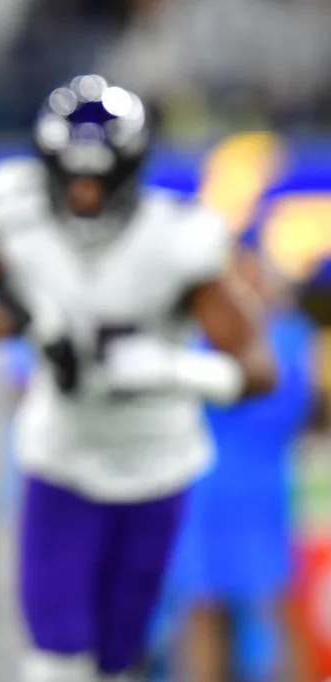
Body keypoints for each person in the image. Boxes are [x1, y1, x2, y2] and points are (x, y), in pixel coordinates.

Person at [0, 74, 277, 682]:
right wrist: (34, 320)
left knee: (118, 660)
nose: (85, 194)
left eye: (101, 177)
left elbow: (259, 371)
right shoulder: (16, 209)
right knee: (56, 658)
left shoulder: (177, 239)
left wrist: (167, 368)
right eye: (72, 176)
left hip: (156, 466)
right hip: (61, 460)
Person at [165, 248, 325, 682]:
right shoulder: (195, 336)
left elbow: (296, 408)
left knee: (278, 604)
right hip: (205, 489)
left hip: (263, 490)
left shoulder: (291, 336)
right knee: (201, 609)